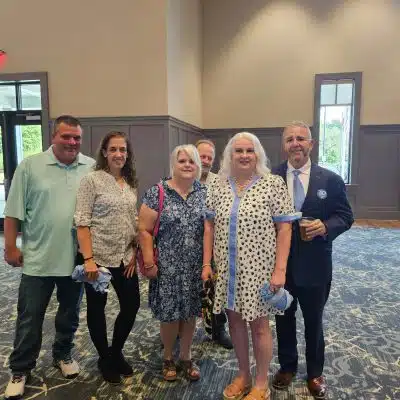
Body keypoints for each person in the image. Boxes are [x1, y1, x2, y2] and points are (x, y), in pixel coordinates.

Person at [3, 115, 95, 400]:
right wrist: (10, 247)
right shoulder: (30, 166)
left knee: (69, 314)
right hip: (37, 259)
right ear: (53, 137)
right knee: (29, 318)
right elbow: (13, 211)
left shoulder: (91, 167)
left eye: (77, 138)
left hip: (75, 259)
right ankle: (20, 369)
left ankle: (63, 354)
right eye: (66, 136)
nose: (72, 142)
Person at [202, 132, 296, 400]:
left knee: (259, 326)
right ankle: (243, 375)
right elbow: (209, 226)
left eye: (249, 150)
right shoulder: (218, 185)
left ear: (258, 154)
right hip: (228, 269)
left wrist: (280, 270)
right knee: (235, 323)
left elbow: (285, 228)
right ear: (229, 155)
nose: (244, 155)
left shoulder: (273, 184)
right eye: (238, 151)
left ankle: (261, 383)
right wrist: (207, 262)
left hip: (259, 270)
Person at [272, 121, 354, 399]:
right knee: (283, 318)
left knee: (314, 320)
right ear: (284, 145)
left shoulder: (330, 179)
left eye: (301, 138)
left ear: (311, 144)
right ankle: (287, 366)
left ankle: (315, 372)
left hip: (316, 265)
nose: (295, 143)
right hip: (280, 266)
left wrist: (325, 227)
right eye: (290, 139)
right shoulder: (271, 178)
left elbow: (345, 216)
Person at [74, 131, 140, 384]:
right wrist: (88, 259)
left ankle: (115, 352)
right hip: (98, 259)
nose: (118, 154)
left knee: (131, 305)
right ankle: (104, 357)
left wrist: (134, 252)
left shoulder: (129, 182)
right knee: (96, 309)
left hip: (125, 257)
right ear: (104, 152)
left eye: (123, 149)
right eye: (113, 149)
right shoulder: (91, 180)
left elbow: (132, 219)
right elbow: (82, 222)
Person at [138, 145, 205, 382]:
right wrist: (148, 262)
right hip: (167, 267)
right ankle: (168, 356)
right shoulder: (157, 192)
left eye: (192, 161)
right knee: (169, 315)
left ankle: (186, 356)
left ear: (198, 166)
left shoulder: (204, 193)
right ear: (173, 165)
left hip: (194, 267)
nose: (187, 165)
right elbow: (144, 230)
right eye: (182, 161)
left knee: (190, 313)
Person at [195, 139, 233, 350]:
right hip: (187, 245)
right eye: (202, 156)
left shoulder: (220, 182)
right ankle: (179, 329)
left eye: (209, 157)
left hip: (215, 245)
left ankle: (219, 329)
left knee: (217, 288)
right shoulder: (181, 178)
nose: (206, 161)